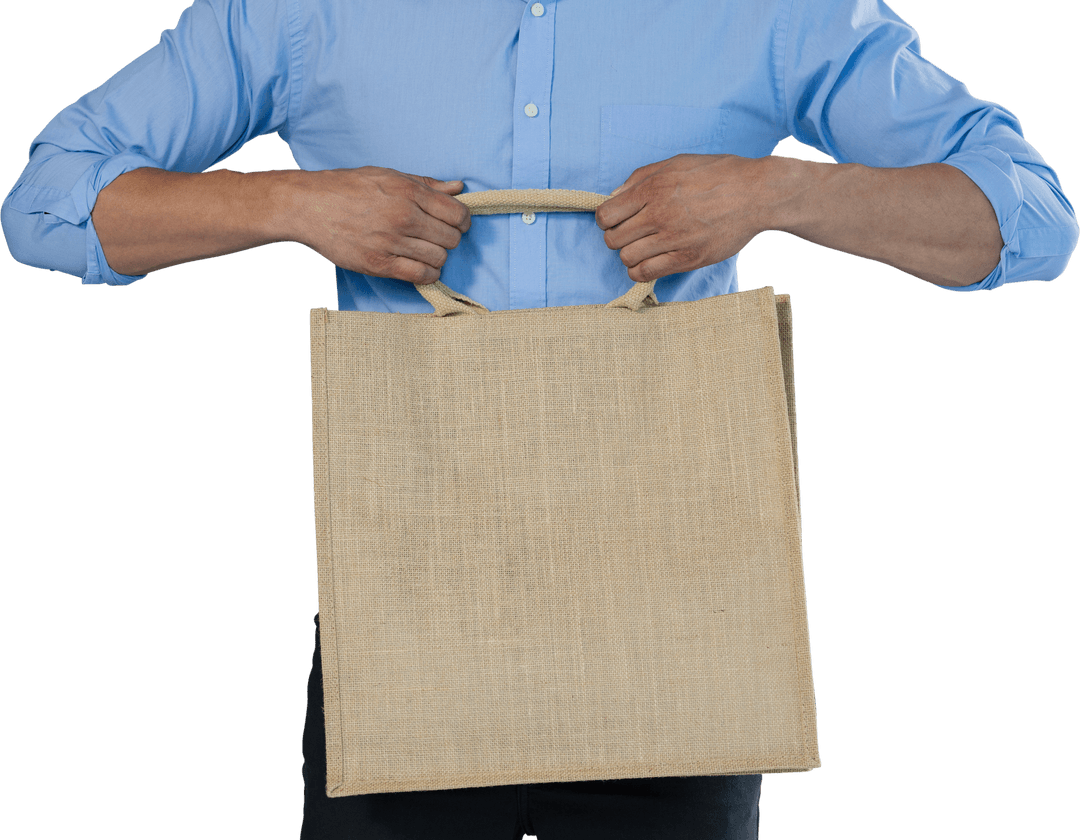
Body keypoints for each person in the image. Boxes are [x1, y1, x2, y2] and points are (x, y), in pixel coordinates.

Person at [2, 1, 1076, 838]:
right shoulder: (301, 14)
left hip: (680, 638)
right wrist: (291, 206)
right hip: (407, 634)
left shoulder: (774, 13)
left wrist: (776, 191)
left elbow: (1026, 219)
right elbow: (48, 200)